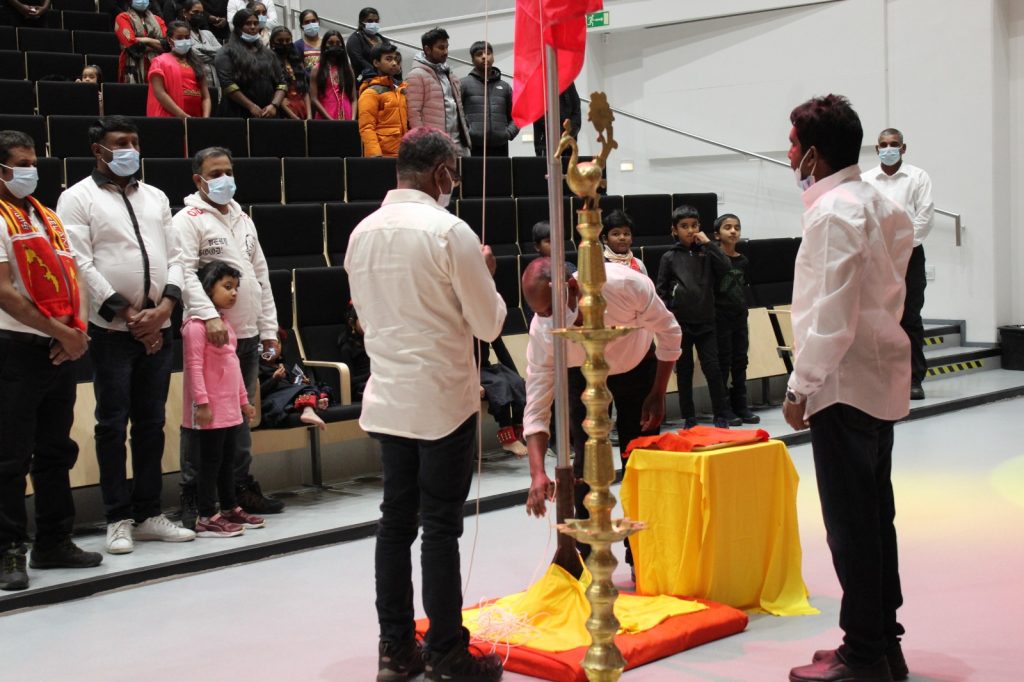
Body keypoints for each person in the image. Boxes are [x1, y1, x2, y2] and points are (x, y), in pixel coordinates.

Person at [344, 128, 506, 682]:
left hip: (389, 395)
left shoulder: (362, 232)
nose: (454, 182)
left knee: (395, 523)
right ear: (441, 173)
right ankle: (446, 653)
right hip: (440, 399)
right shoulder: (449, 231)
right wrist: (486, 274)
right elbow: (489, 324)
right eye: (453, 172)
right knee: (439, 527)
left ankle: (395, 650)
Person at [783, 94, 914, 682]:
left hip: (841, 381)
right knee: (875, 517)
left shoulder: (834, 212)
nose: (788, 155)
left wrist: (799, 386)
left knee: (850, 526)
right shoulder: (882, 203)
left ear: (813, 154)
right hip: (878, 373)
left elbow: (830, 317)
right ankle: (883, 643)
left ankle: (863, 655)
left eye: (793, 144)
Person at [57, 116, 196, 555]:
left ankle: (149, 512)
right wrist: (131, 315)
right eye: (120, 143)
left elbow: (177, 256)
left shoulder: (155, 196)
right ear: (98, 149)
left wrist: (165, 308)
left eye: (134, 142)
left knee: (152, 422)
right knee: (112, 424)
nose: (130, 150)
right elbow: (79, 263)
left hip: (160, 323)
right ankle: (117, 517)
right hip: (112, 330)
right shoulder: (76, 197)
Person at [521, 258, 681, 564]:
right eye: (540, 313)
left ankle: (642, 555)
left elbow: (670, 332)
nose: (547, 318)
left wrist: (658, 392)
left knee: (641, 457)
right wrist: (537, 472)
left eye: (551, 310)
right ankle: (587, 556)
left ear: (571, 287)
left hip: (636, 365)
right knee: (585, 462)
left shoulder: (625, 284)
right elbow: (537, 404)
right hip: (581, 372)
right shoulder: (543, 331)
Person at [0, 130, 100, 592]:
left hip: (60, 346)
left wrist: (77, 331)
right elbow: (4, 292)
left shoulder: (46, 215)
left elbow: (73, 274)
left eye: (33, 163)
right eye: (20, 164)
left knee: (56, 449)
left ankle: (54, 540)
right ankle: (8, 549)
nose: (30, 171)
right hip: (15, 348)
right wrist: (61, 333)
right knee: (9, 455)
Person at [174, 146, 283, 526]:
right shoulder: (188, 219)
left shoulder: (243, 217)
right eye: (215, 173)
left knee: (238, 416)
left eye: (228, 171)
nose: (224, 179)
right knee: (202, 420)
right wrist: (209, 316)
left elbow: (259, 275)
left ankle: (236, 489)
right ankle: (194, 496)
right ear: (198, 179)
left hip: (247, 334)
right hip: (210, 335)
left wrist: (268, 328)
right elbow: (184, 272)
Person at [183, 260, 265, 537]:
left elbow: (233, 367)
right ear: (207, 288)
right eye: (227, 286)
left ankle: (229, 507)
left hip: (230, 410)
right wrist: (202, 404)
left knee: (227, 461)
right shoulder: (195, 327)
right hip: (211, 411)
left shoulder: (226, 324)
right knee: (209, 463)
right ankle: (207, 514)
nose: (234, 293)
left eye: (236, 288)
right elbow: (194, 368)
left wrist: (244, 401)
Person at [862, 128, 934, 401]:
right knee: (878, 318)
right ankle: (882, 378)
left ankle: (913, 379)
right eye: (883, 145)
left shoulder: (918, 177)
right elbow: (863, 216)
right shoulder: (866, 180)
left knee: (910, 317)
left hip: (909, 255)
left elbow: (925, 216)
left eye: (894, 144)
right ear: (876, 149)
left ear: (903, 148)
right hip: (877, 257)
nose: (888, 149)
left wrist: (901, 246)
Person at [657, 205, 739, 429]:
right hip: (681, 324)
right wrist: (669, 318)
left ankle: (721, 414)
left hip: (707, 322)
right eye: (684, 226)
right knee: (684, 371)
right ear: (674, 230)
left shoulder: (708, 252)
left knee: (713, 369)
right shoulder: (669, 257)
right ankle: (689, 418)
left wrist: (709, 244)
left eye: (694, 225)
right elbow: (661, 291)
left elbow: (727, 268)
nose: (690, 230)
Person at [712, 213, 759, 424]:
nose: (733, 231)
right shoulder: (713, 259)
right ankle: (723, 408)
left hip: (739, 316)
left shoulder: (743, 260)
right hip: (720, 316)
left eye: (737, 227)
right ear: (717, 234)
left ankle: (740, 404)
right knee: (723, 361)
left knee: (740, 360)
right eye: (728, 227)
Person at [406, 27, 471, 156]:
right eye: (441, 48)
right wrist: (422, 144)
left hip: (459, 143)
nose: (446, 52)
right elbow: (413, 114)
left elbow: (458, 109)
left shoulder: (449, 73)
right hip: (433, 146)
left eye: (447, 47)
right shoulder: (416, 75)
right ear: (427, 49)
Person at [214, 8, 286, 118]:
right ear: (238, 28)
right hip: (237, 113)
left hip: (268, 113)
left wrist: (274, 105)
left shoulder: (269, 54)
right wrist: (250, 106)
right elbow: (227, 84)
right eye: (248, 23)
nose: (253, 27)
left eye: (256, 23)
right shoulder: (226, 52)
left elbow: (282, 83)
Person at [460, 41, 518, 158]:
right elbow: (456, 115)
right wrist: (468, 133)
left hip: (500, 147)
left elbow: (516, 115)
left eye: (488, 53)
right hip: (473, 147)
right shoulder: (463, 84)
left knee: (500, 171)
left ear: (493, 57)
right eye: (479, 54)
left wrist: (508, 133)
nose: (484, 57)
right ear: (472, 60)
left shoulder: (505, 87)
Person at [147, 20, 212, 118]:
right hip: (170, 118)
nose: (184, 41)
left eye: (187, 37)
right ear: (169, 40)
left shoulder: (197, 63)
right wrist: (183, 116)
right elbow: (160, 93)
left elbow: (206, 97)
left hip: (196, 119)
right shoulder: (159, 62)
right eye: (179, 38)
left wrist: (205, 118)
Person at [478, 336, 528, 457]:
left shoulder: (487, 325)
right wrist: (473, 383)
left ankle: (517, 432)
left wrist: (517, 378)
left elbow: (501, 351)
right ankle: (508, 439)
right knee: (500, 384)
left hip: (485, 369)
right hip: (467, 373)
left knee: (518, 383)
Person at [357, 42, 407, 158]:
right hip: (383, 155)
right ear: (376, 63)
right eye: (388, 59)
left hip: (403, 153)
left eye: (395, 59)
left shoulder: (399, 89)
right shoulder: (371, 92)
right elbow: (367, 127)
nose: (394, 63)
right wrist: (375, 155)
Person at [115, 0, 167, 84]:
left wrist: (146, 40)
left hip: (158, 64)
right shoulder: (123, 17)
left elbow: (167, 45)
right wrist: (157, 44)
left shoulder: (158, 19)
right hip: (133, 63)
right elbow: (133, 47)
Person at [310, 30, 356, 121]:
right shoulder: (317, 69)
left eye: (338, 43)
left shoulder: (348, 68)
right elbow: (314, 99)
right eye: (330, 43)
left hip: (347, 116)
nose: (334, 46)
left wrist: (353, 119)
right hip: (325, 117)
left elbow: (354, 98)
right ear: (324, 45)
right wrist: (330, 120)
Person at [178, 0, 222, 89]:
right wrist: (214, 55)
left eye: (201, 13)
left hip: (214, 80)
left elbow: (222, 53)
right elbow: (193, 54)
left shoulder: (208, 33)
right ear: (185, 13)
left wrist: (200, 48)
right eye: (195, 12)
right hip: (193, 81)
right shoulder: (181, 35)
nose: (199, 15)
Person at [533, 82, 580, 157]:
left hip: (567, 145)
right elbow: (538, 116)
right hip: (547, 145)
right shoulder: (541, 82)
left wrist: (568, 134)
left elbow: (576, 112)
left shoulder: (568, 83)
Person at [336, 301, 369, 402]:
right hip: (360, 387)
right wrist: (372, 374)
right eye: (364, 320)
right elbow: (348, 381)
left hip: (376, 381)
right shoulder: (347, 348)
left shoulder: (374, 341)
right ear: (351, 322)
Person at [600, 209, 647, 275]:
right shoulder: (598, 264)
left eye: (626, 234)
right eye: (616, 234)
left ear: (631, 238)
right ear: (605, 239)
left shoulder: (639, 264)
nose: (622, 238)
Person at [347, 6, 386, 81]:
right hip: (365, 79)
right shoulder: (354, 39)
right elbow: (358, 60)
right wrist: (377, 71)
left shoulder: (381, 39)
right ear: (361, 22)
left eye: (376, 21)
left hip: (384, 78)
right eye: (370, 21)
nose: (374, 24)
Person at [281, 55, 311, 120]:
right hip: (288, 114)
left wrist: (309, 116)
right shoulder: (281, 78)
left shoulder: (300, 76)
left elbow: (305, 93)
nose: (289, 69)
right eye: (287, 67)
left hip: (302, 110)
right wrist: (294, 117)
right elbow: (282, 101)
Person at [293, 8, 322, 74]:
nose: (311, 24)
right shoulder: (297, 45)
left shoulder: (326, 43)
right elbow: (298, 69)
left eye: (313, 21)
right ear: (301, 26)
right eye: (307, 22)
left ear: (318, 22)